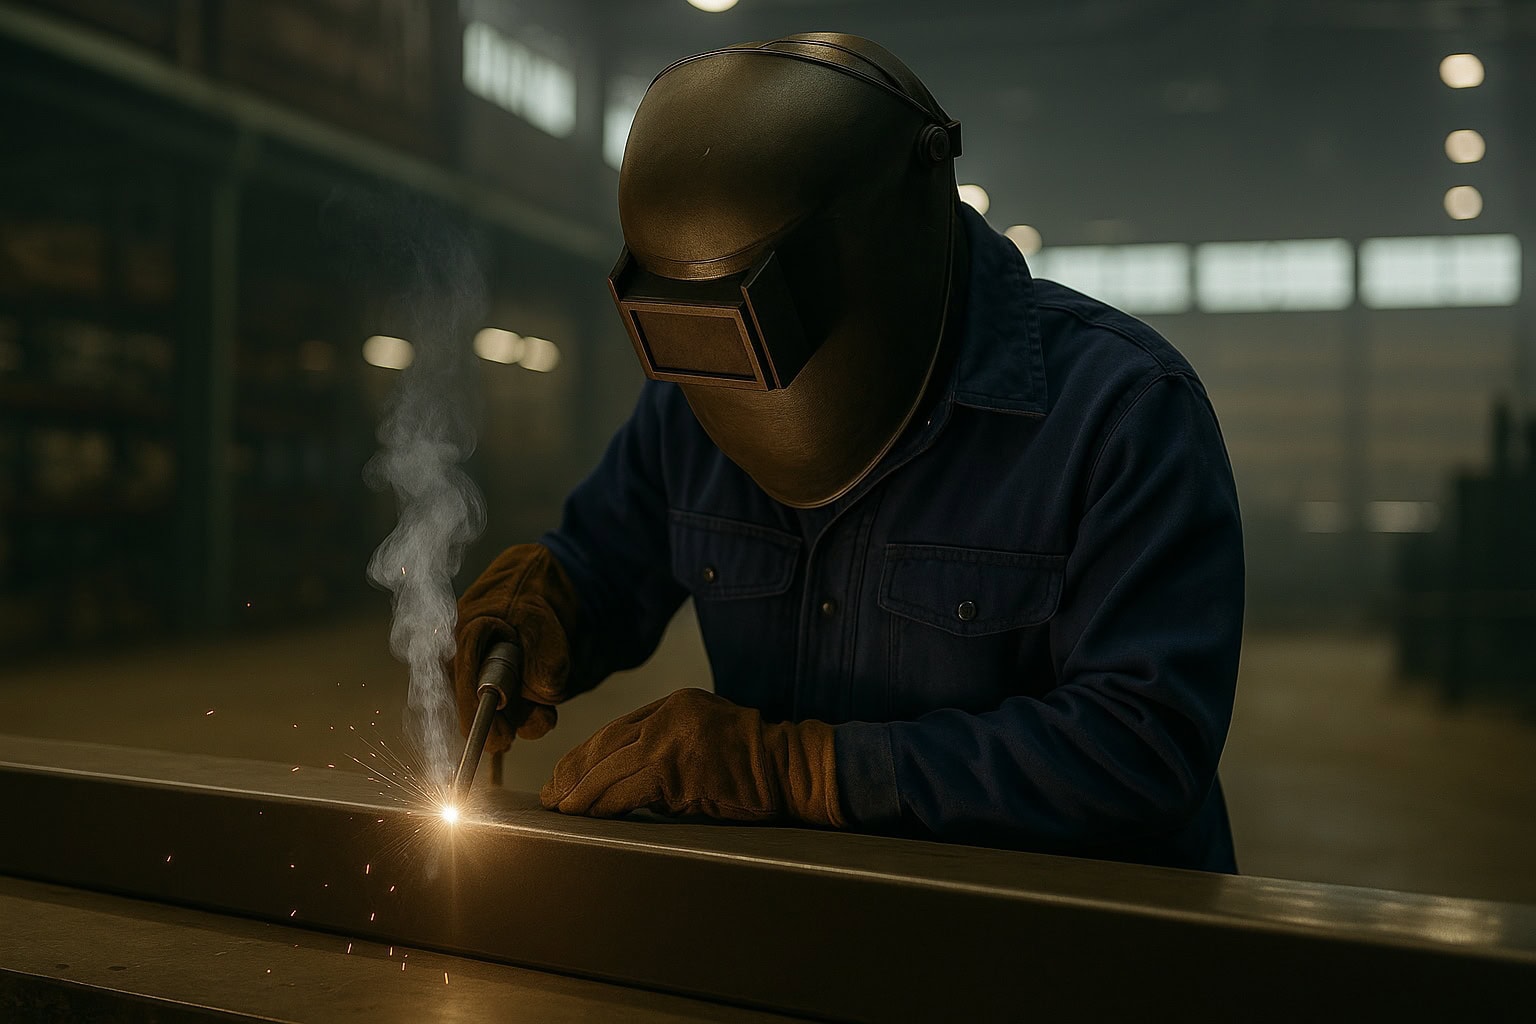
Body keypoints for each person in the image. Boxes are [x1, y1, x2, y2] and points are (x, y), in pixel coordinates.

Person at [452, 33, 1245, 872]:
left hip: (1069, 955)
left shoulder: (1120, 413)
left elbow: (1141, 751)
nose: (743, 380)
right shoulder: (696, 397)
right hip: (812, 928)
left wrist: (802, 771)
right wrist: (546, 609)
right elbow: (608, 556)